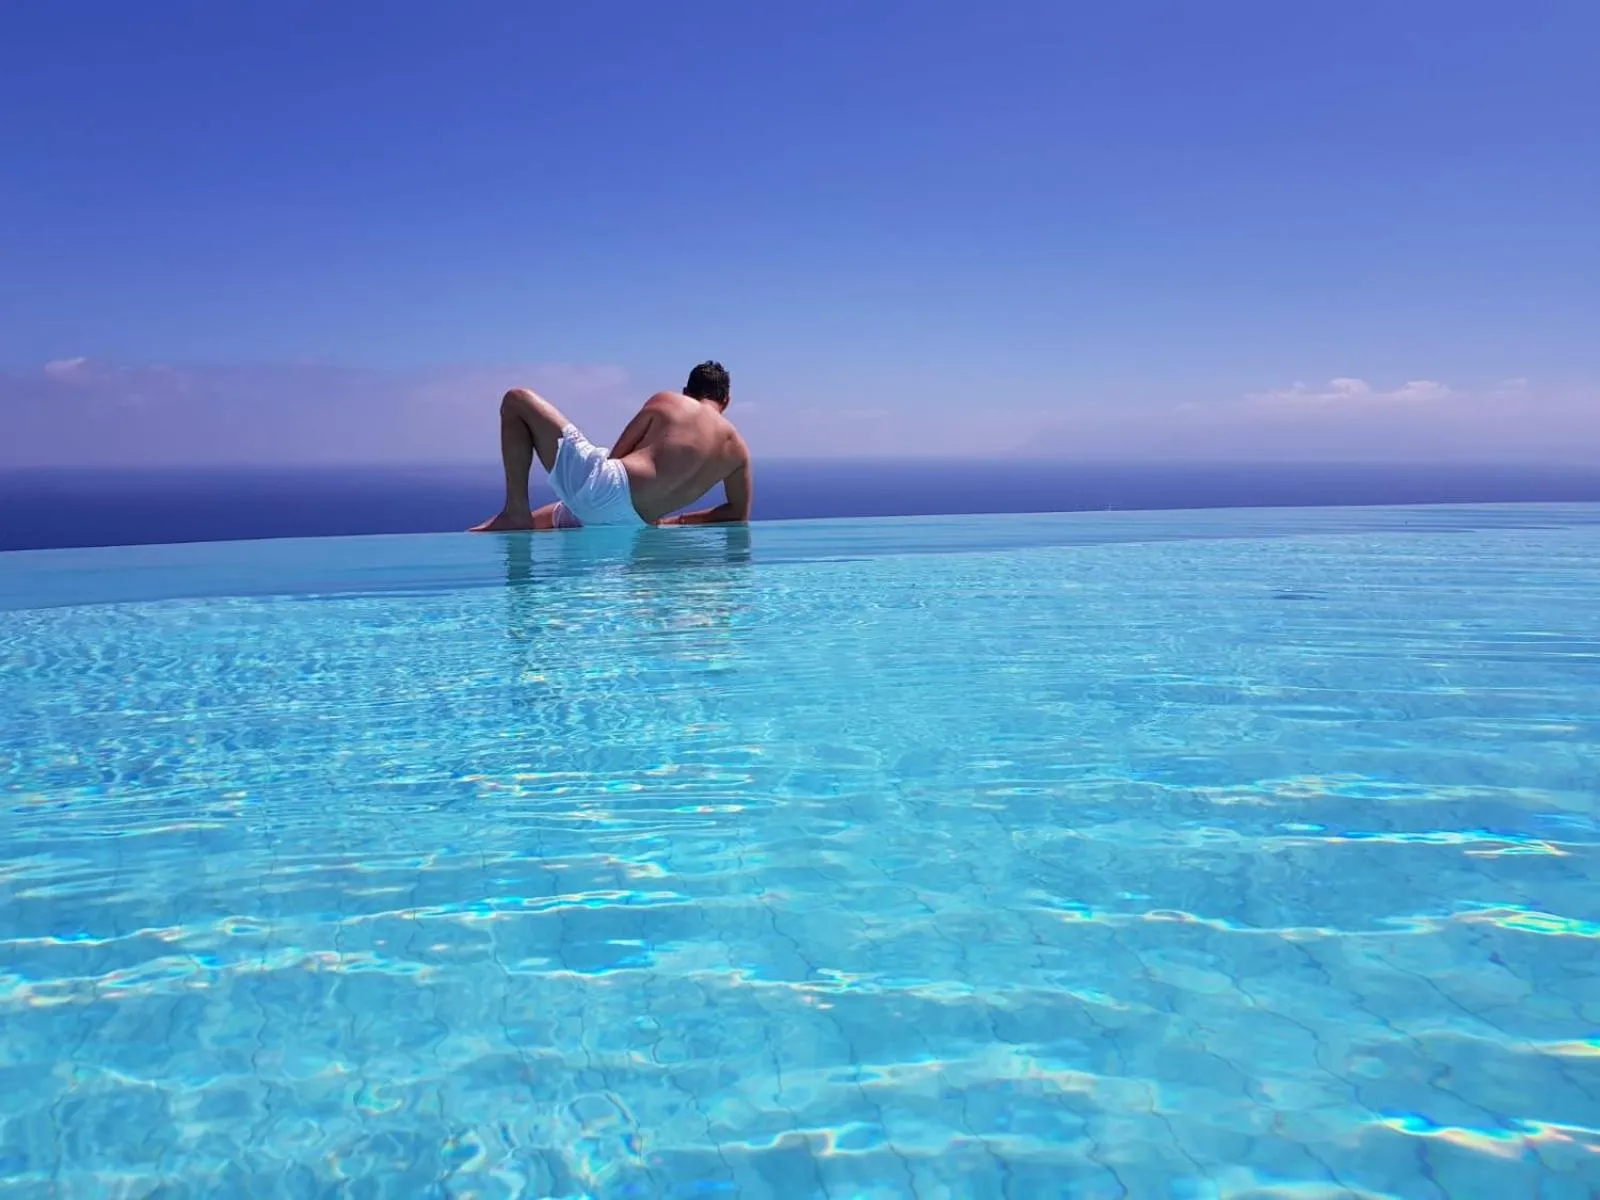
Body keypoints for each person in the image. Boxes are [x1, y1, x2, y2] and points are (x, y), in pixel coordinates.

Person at [470, 361, 752, 532]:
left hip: (608, 490)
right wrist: (674, 521)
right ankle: (551, 516)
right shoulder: (739, 451)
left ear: (686, 392)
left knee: (516, 400)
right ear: (726, 400)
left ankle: (516, 512)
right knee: (583, 500)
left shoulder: (670, 401)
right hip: (636, 521)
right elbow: (736, 514)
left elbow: (617, 457)